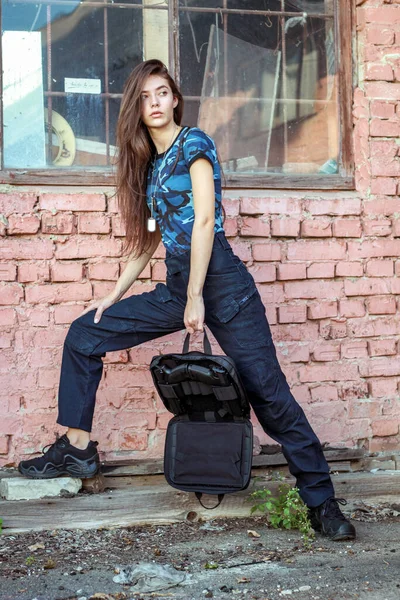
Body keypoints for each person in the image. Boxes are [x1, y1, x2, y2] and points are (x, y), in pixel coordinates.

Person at [18, 59, 355, 542]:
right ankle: (77, 447)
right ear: (136, 107)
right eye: (144, 97)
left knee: (269, 396)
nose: (154, 104)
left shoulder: (195, 144)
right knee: (85, 333)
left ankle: (323, 504)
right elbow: (151, 240)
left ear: (175, 98)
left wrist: (196, 296)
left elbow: (202, 222)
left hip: (221, 282)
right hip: (181, 282)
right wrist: (113, 294)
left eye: (161, 93)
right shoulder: (152, 166)